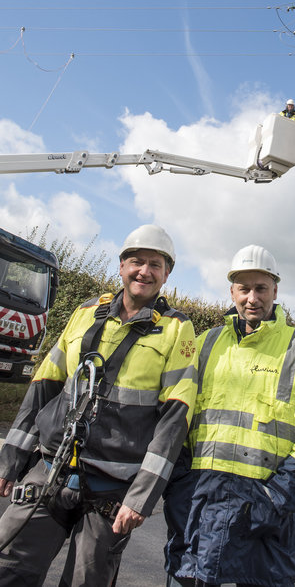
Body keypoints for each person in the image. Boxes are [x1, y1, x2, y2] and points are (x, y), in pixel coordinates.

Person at [0, 224, 197, 587]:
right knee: (9, 567)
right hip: (50, 467)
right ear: (121, 266)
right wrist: (12, 459)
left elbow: (174, 420)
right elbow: (45, 384)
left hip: (112, 487)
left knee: (88, 580)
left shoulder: (176, 329)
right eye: (137, 261)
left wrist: (140, 498)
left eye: (156, 264)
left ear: (167, 274)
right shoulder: (87, 310)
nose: (145, 271)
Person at [164, 244, 295, 587]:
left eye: (261, 288)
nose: (252, 298)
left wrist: (274, 500)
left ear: (275, 290)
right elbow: (178, 420)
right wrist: (179, 486)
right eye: (244, 289)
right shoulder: (205, 344)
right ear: (232, 291)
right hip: (202, 506)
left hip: (268, 518)